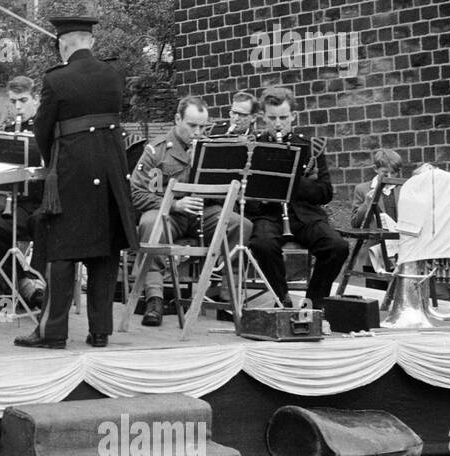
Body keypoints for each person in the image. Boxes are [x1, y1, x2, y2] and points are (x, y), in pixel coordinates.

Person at [17, 15, 136, 350]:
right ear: (92, 42)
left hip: (71, 169)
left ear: (62, 44)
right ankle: (100, 331)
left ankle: (53, 332)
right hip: (112, 166)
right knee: (104, 249)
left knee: (62, 251)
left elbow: (42, 129)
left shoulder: (55, 79)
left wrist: (53, 157)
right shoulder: (114, 73)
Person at [129, 96, 252, 326]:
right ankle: (154, 298)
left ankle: (229, 299)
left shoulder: (213, 149)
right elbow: (137, 193)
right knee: (149, 224)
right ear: (177, 119)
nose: (198, 132)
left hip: (203, 213)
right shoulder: (156, 151)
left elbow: (228, 192)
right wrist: (173, 204)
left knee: (239, 224)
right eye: (192, 125)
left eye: (202, 127)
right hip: (169, 214)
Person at [246, 87, 349, 309]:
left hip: (305, 215)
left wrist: (291, 180)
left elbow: (325, 192)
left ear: (293, 116)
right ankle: (281, 299)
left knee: (337, 246)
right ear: (263, 117)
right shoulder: (252, 147)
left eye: (283, 117)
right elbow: (244, 195)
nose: (277, 124)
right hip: (269, 215)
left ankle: (314, 302)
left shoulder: (311, 148)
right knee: (262, 244)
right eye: (272, 118)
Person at [0, 76, 46, 307]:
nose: (18, 107)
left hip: (49, 201)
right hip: (24, 202)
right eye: (13, 101)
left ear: (37, 99)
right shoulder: (10, 131)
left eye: (23, 100)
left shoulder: (50, 128)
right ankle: (15, 288)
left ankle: (41, 287)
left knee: (44, 225)